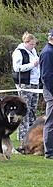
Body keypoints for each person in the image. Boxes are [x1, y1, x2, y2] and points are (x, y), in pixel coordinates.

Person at [12, 32, 40, 140]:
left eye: (34, 45)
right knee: (25, 109)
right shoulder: (19, 52)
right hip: (24, 83)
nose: (33, 47)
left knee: (33, 109)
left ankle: (33, 134)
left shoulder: (33, 51)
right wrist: (32, 65)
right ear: (25, 42)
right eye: (31, 44)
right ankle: (22, 135)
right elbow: (17, 68)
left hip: (34, 82)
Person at [39, 29, 53, 159]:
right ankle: (49, 152)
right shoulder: (48, 53)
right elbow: (47, 76)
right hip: (51, 92)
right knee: (51, 121)